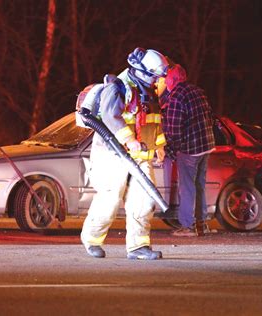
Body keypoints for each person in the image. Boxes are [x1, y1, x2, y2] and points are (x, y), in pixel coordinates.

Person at [80, 47, 168, 260]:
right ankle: (92, 239)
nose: (157, 80)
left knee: (145, 201)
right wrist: (129, 140)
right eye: (155, 76)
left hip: (139, 156)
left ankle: (138, 247)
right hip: (112, 154)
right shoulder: (119, 88)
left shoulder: (149, 91)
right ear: (143, 71)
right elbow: (111, 117)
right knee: (110, 199)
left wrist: (159, 146)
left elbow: (154, 123)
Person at [160, 64, 216, 237]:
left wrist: (169, 150)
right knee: (199, 185)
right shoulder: (198, 91)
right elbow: (210, 117)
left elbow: (175, 129)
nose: (164, 81)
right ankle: (202, 223)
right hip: (206, 146)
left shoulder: (176, 96)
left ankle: (188, 226)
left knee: (187, 187)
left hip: (190, 149)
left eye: (166, 77)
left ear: (173, 79)